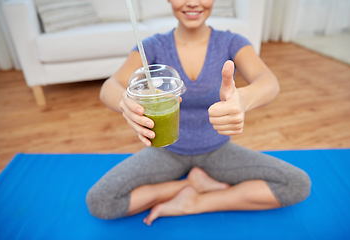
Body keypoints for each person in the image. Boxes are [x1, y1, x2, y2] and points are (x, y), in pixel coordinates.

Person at [86, 0, 311, 226]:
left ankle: (195, 202)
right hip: (165, 150)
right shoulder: (153, 47)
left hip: (217, 150)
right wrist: (125, 103)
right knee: (100, 201)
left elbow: (269, 82)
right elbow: (110, 86)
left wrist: (244, 99)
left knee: (297, 183)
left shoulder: (231, 42)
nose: (192, 2)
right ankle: (190, 185)